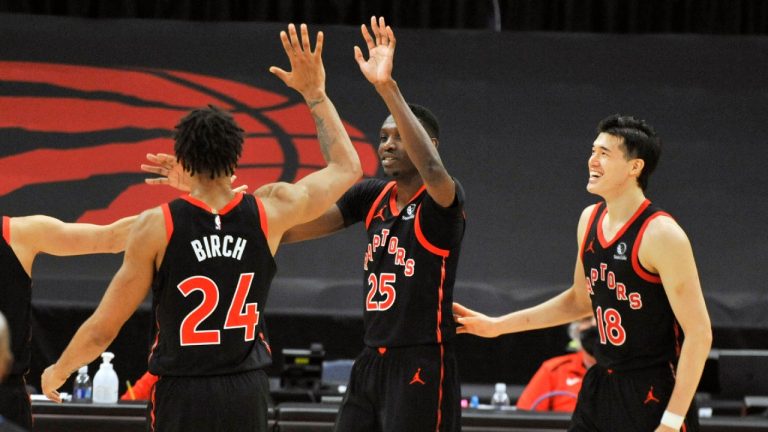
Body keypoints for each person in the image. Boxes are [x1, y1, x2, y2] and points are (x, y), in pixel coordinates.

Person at [40, 23, 362, 432]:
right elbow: (348, 167)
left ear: (184, 160)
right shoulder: (272, 210)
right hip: (245, 390)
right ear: (237, 155)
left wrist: (58, 369)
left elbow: (104, 328)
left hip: (182, 390)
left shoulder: (157, 226)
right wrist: (315, 94)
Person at [454, 114, 711, 432]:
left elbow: (699, 334)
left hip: (651, 390)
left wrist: (671, 421)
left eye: (605, 153)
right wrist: (497, 326)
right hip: (601, 382)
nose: (593, 160)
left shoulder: (661, 234)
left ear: (635, 167)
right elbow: (580, 301)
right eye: (593, 151)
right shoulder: (589, 219)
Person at [282, 17, 466, 432]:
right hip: (371, 356)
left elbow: (434, 170)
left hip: (422, 357)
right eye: (382, 137)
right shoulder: (371, 196)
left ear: (424, 142)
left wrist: (387, 87)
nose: (386, 144)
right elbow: (296, 228)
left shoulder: (442, 200)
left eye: (397, 135)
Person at [0, 210, 136, 429]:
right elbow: (113, 237)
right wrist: (194, 200)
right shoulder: (20, 233)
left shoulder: (18, 233)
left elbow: (113, 237)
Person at [516, 317, 597, 412]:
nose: (594, 324)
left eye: (600, 318)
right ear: (575, 329)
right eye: (587, 319)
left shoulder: (618, 372)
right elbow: (524, 417)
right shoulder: (553, 370)